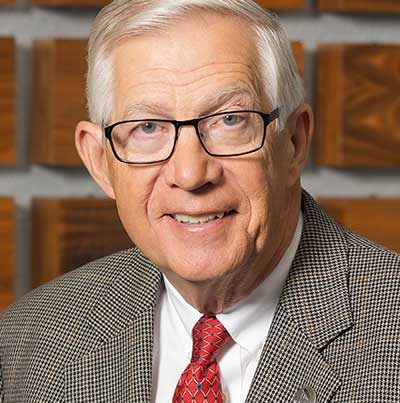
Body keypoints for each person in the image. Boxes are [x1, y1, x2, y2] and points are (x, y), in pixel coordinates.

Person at [1, 0, 399, 402]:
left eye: (229, 120)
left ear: (293, 142)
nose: (190, 174)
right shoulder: (29, 338)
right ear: (101, 163)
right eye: (147, 127)